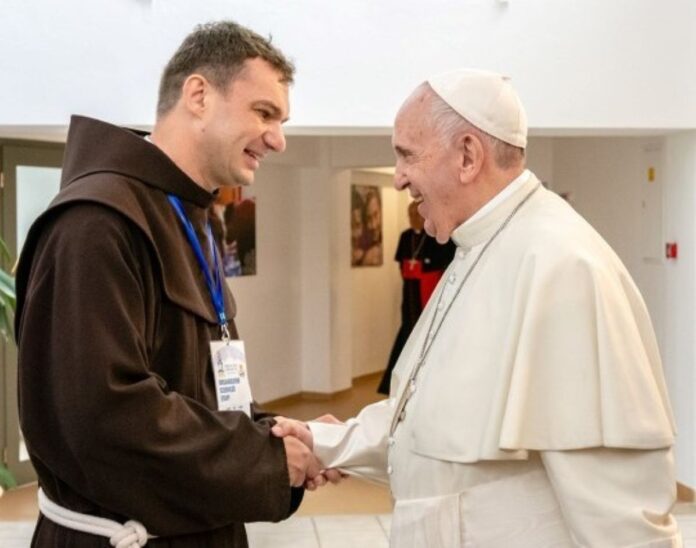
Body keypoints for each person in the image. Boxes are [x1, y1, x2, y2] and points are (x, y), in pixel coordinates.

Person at [275, 69, 682, 546]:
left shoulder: (564, 266)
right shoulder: (475, 248)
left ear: (468, 156)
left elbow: (620, 519)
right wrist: (323, 442)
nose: (399, 177)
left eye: (407, 155)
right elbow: (423, 422)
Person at [14, 21, 336, 548]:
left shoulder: (193, 218)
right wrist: (264, 458)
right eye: (264, 113)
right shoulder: (95, 224)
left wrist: (277, 433)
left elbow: (196, 388)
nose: (278, 139)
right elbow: (104, 417)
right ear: (199, 95)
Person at [378, 201, 455, 394]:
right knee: (408, 328)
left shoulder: (436, 236)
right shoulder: (406, 236)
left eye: (416, 215)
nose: (413, 219)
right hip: (410, 290)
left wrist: (423, 268)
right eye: (410, 215)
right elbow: (401, 263)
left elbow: (443, 262)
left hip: (428, 289)